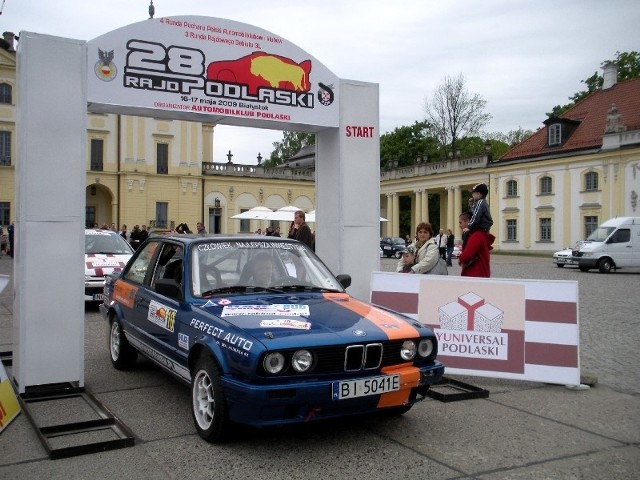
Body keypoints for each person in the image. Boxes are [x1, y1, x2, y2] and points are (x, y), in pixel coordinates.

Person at [458, 211, 495, 277]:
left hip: (475, 274)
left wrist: (460, 258)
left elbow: (468, 255)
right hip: (481, 274)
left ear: (468, 221)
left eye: (461, 222)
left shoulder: (476, 236)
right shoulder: (480, 235)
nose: (460, 226)